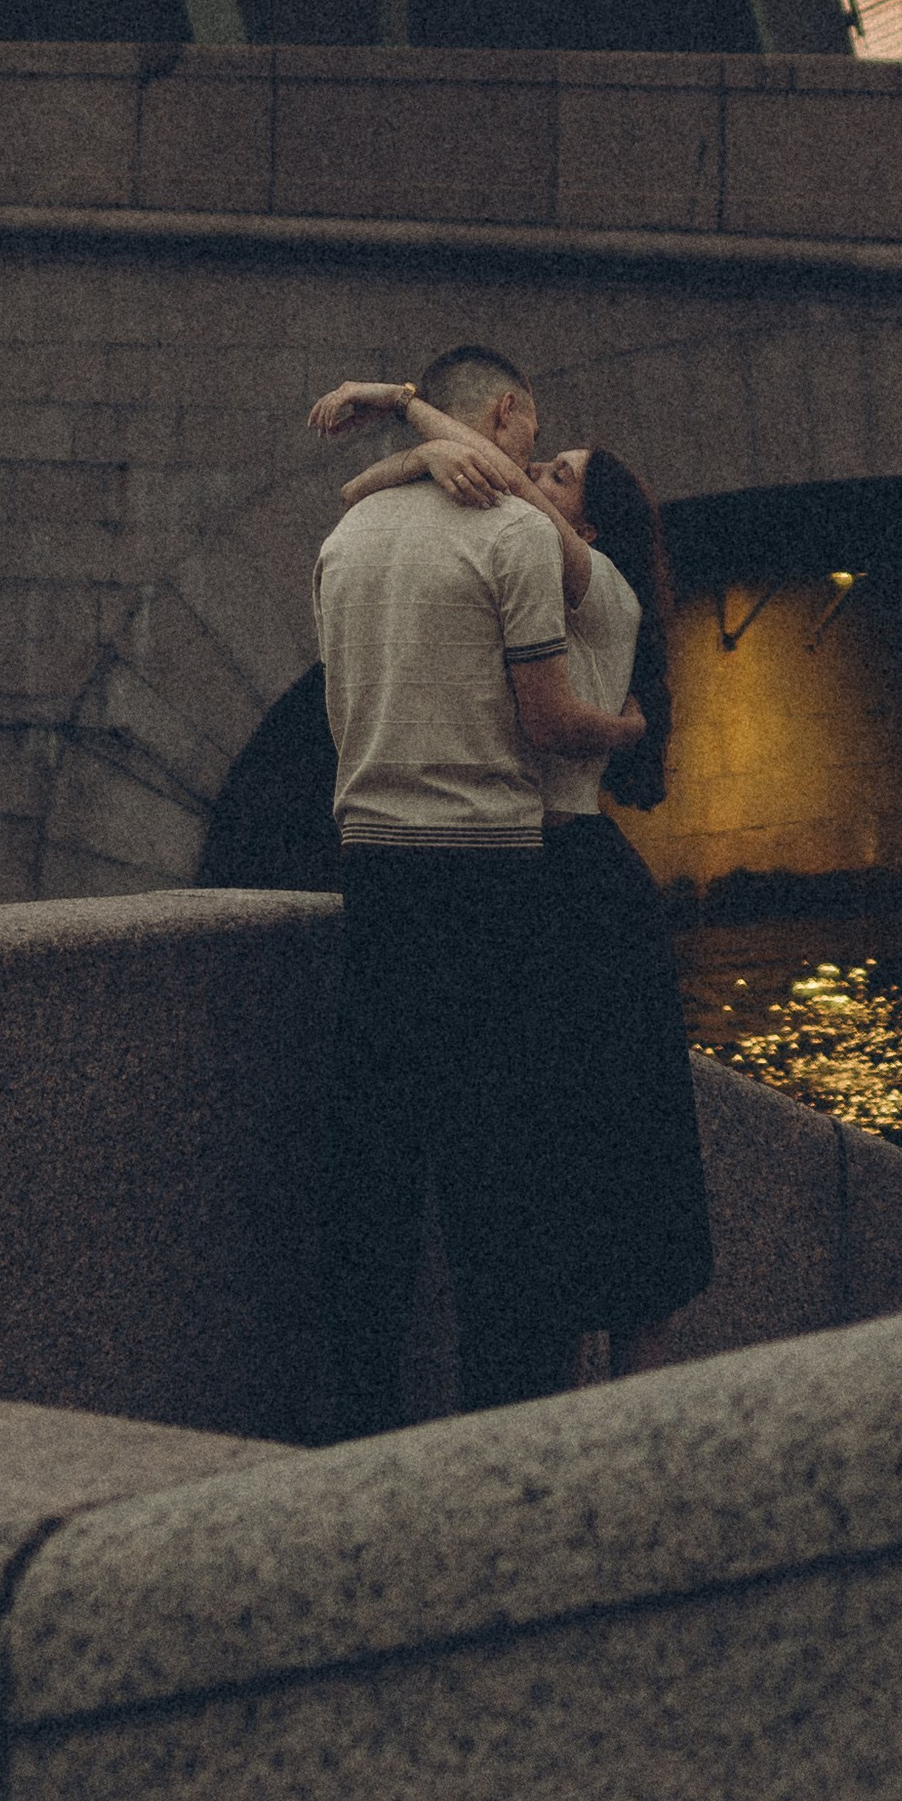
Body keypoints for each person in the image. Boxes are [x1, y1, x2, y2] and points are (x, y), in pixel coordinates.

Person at [324, 388, 713, 1371]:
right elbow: (357, 486)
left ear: (585, 520)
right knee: (559, 1163)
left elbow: (464, 481)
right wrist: (422, 457)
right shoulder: (550, 561)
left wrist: (405, 407)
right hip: (544, 882)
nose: (535, 478)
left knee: (611, 1162)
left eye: (559, 475)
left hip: (574, 884)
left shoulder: (593, 577)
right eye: (543, 464)